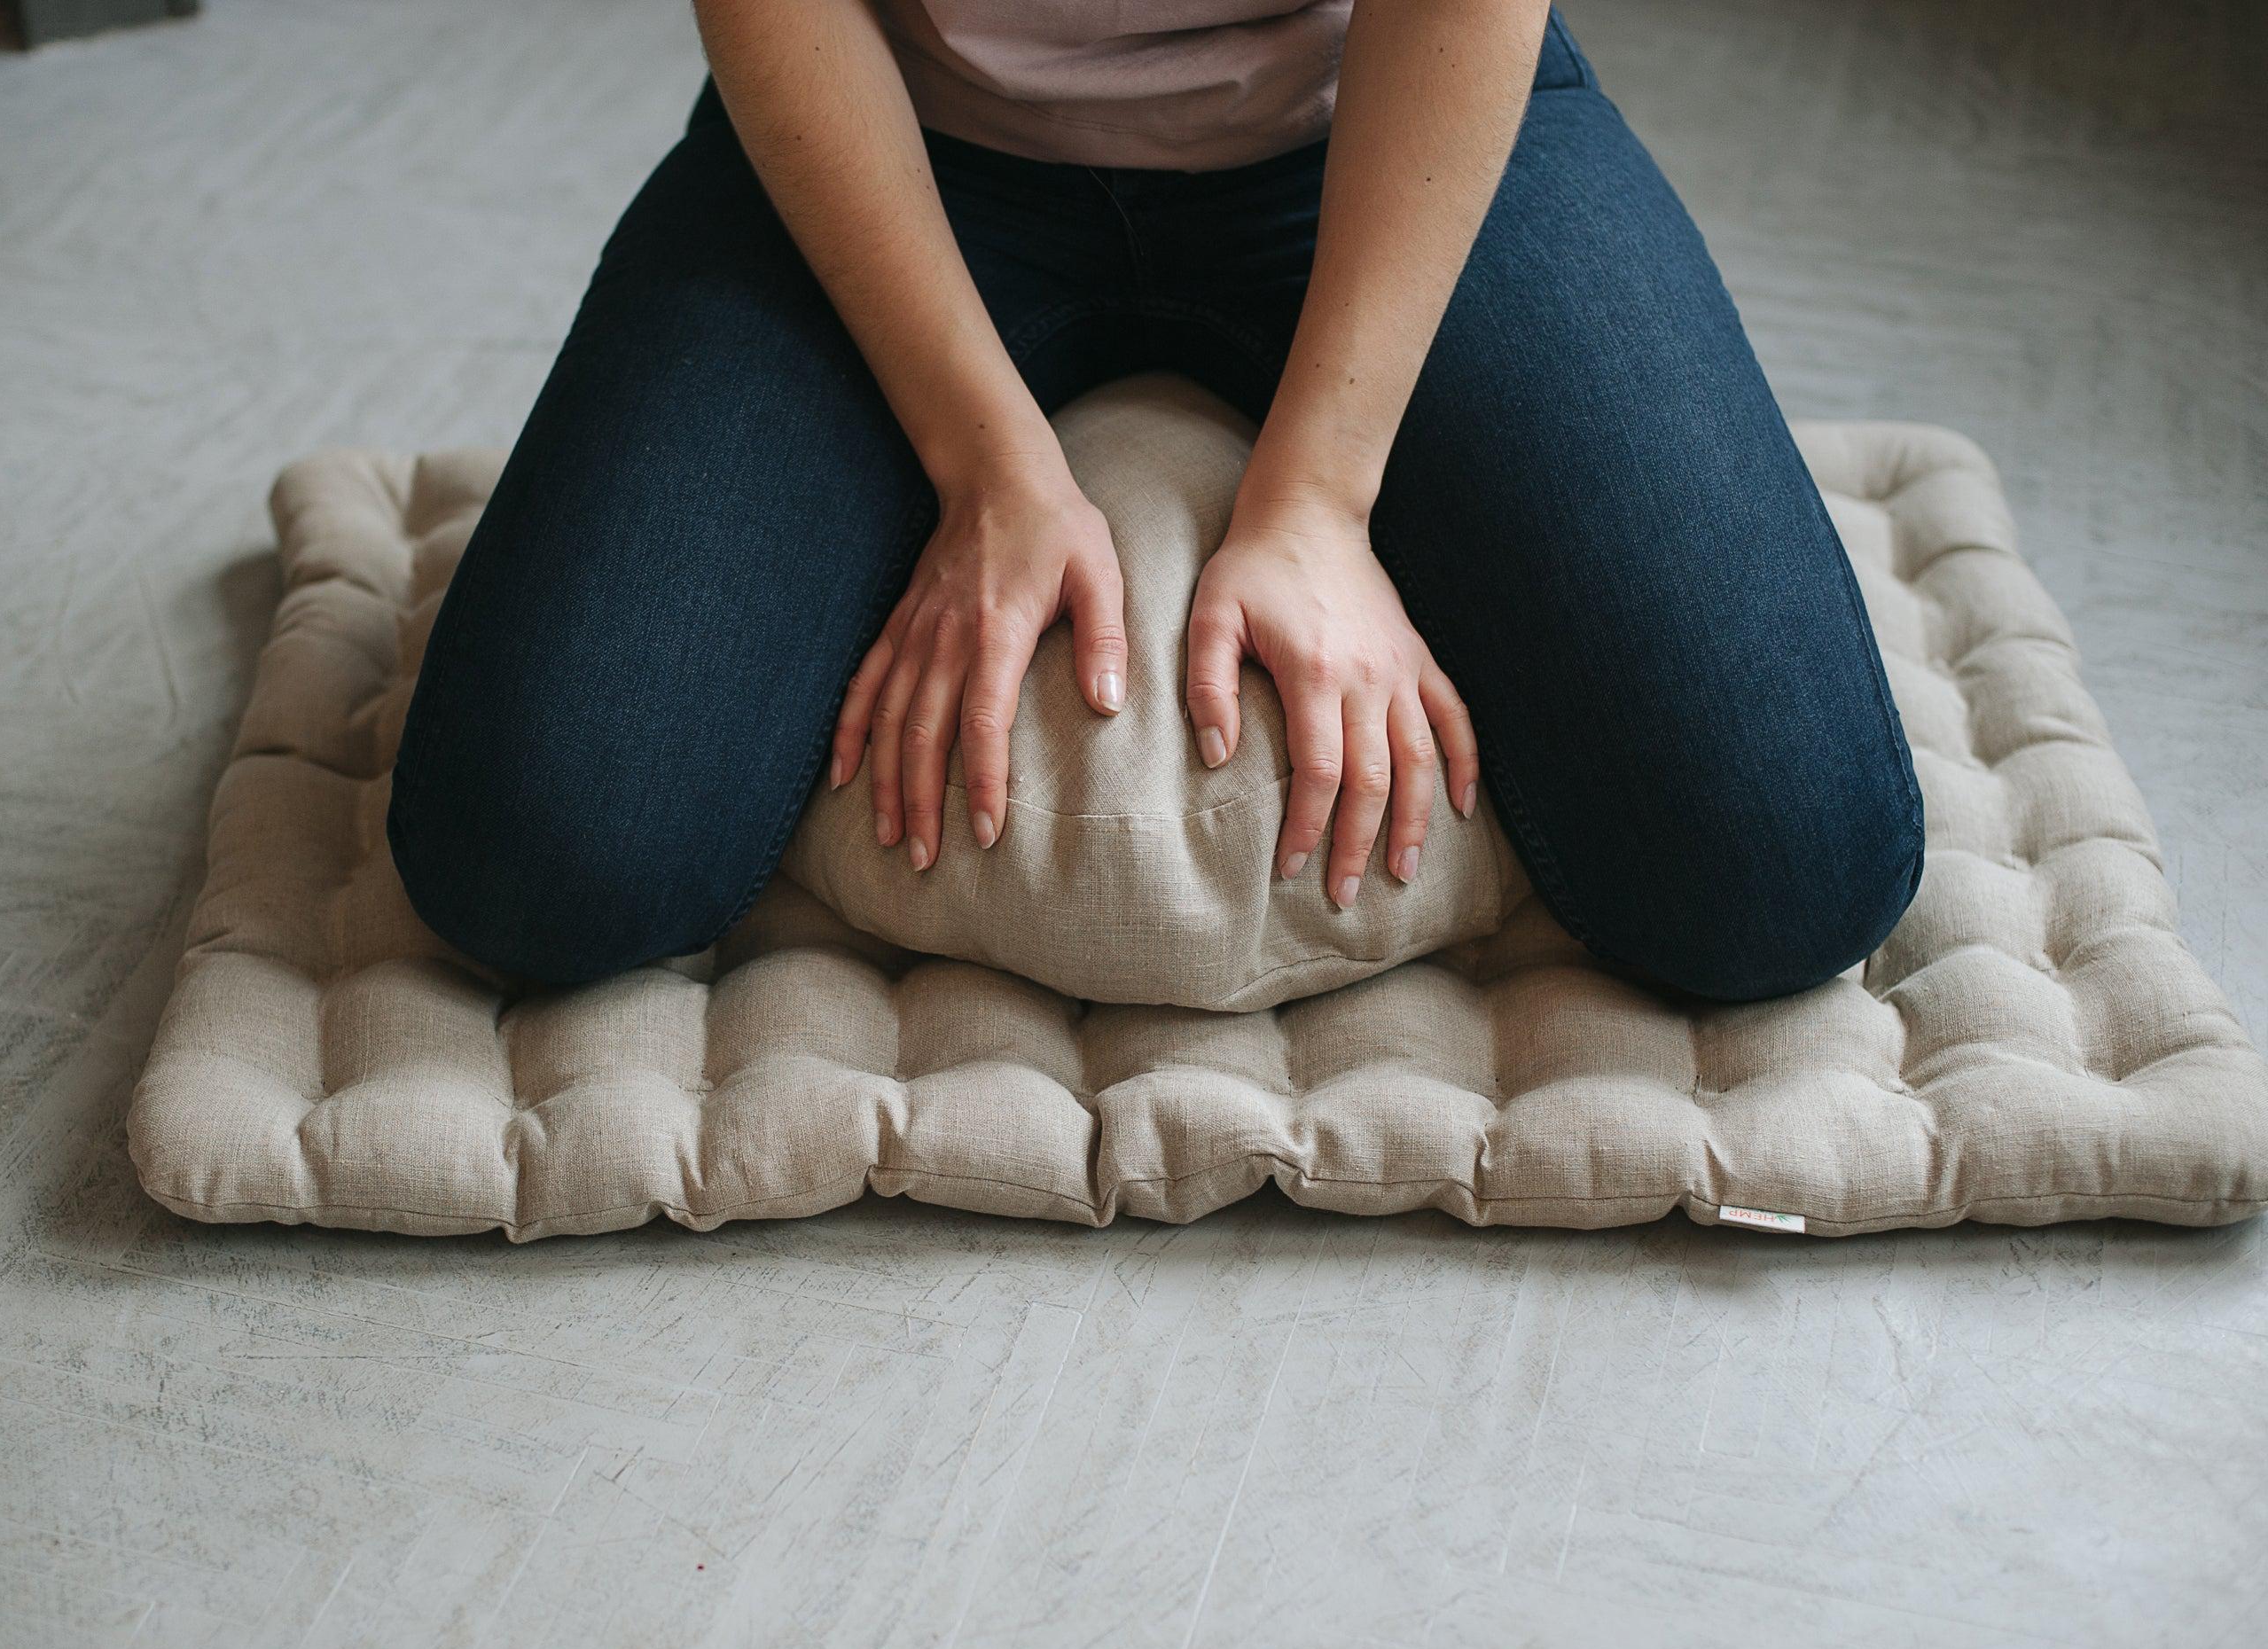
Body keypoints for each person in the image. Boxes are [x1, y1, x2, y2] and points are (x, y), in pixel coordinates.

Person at [386, 0, 1927, 1004]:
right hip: (907, 124)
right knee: (533, 860)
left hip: (1370, 108)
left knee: (1786, 870)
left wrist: (1321, 496)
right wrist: (986, 465)